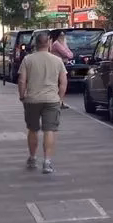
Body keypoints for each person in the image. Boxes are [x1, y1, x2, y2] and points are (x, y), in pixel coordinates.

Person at [17, 30, 67, 174]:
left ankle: (32, 158)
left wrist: (22, 96)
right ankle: (47, 162)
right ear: (49, 43)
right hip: (52, 100)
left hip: (32, 99)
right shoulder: (57, 60)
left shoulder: (28, 60)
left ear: (36, 43)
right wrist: (60, 98)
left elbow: (22, 80)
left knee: (33, 129)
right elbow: (63, 82)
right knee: (49, 130)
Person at [49, 30, 75, 109]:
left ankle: (60, 101)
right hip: (58, 65)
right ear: (57, 36)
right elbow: (67, 54)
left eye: (64, 35)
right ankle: (58, 102)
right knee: (62, 83)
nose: (63, 37)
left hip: (62, 64)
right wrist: (68, 53)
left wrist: (67, 51)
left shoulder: (62, 43)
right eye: (61, 35)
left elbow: (70, 53)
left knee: (61, 83)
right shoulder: (57, 44)